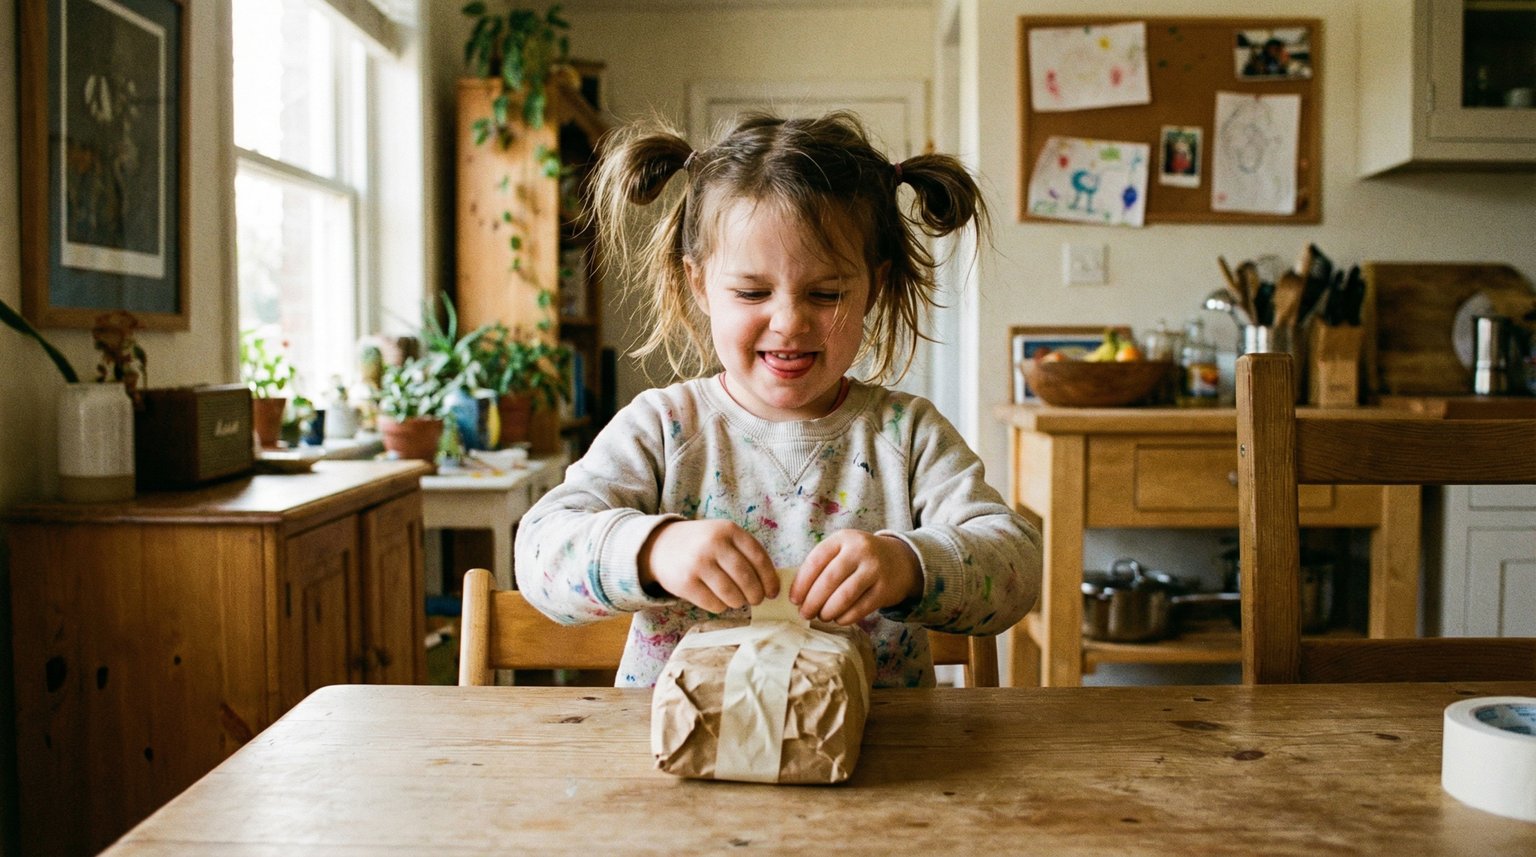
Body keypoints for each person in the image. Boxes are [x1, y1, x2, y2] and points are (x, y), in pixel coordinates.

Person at [513, 111, 1042, 688]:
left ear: (875, 285)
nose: (789, 322)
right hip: (683, 757)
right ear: (699, 284)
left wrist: (906, 566)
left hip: (882, 759)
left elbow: (1015, 568)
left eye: (826, 292)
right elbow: (541, 555)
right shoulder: (662, 428)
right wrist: (653, 550)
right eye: (751, 291)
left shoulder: (907, 435)